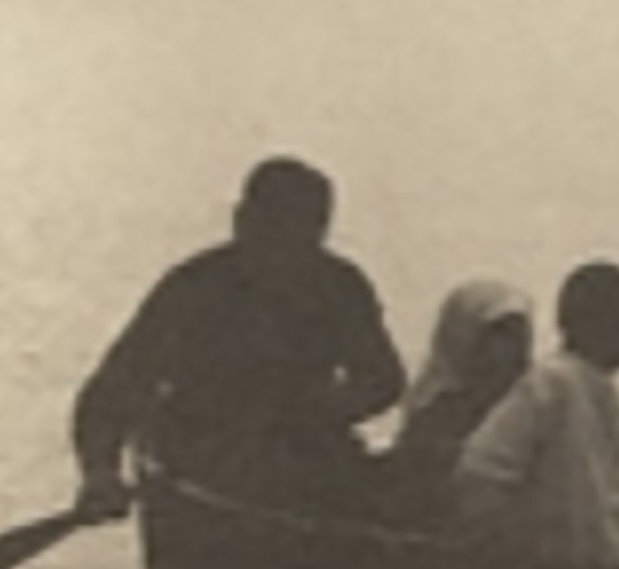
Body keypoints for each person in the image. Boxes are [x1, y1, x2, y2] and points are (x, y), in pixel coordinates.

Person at [70, 154, 407, 517]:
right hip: (204, 458)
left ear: (318, 231)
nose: (281, 252)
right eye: (272, 228)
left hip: (301, 459)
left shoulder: (340, 287)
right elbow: (112, 392)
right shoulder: (194, 287)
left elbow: (383, 379)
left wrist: (313, 416)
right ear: (244, 222)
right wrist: (100, 473)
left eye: (298, 233)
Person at [453, 260, 619, 566]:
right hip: (556, 568)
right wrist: (520, 547)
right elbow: (480, 471)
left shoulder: (594, 386)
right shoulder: (552, 384)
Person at [376, 279, 534, 520]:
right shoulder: (436, 420)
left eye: (521, 334)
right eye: (502, 334)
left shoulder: (535, 413)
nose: (518, 347)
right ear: (466, 339)